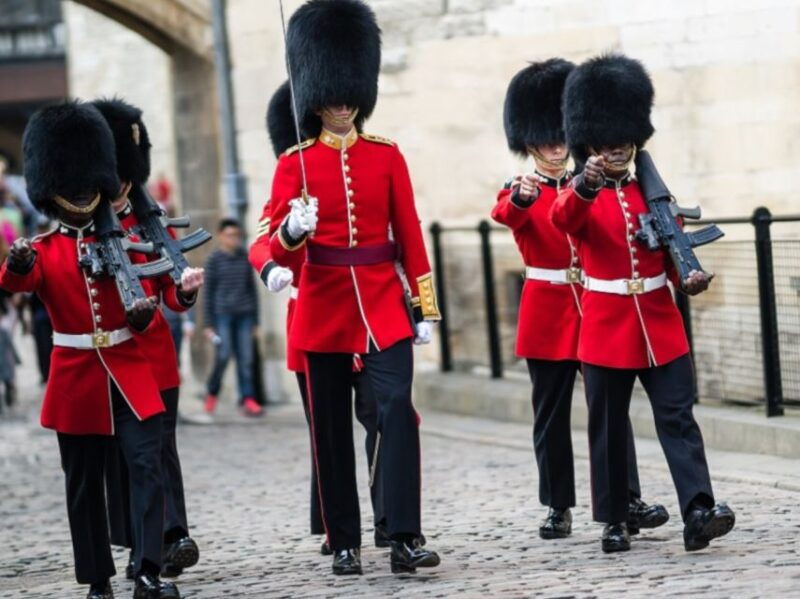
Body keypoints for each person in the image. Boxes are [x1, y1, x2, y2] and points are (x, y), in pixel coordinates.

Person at [264, 0, 440, 576]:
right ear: (315, 96)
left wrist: (425, 305)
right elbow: (271, 239)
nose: (341, 105)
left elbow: (409, 232)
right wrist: (293, 231)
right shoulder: (294, 163)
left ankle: (403, 534)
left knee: (395, 411)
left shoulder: (387, 156)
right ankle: (343, 539)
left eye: (349, 95)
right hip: (323, 306)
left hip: (384, 308)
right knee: (333, 432)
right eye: (332, 95)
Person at [0, 101, 200, 599]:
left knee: (146, 469)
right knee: (85, 487)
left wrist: (165, 303)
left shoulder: (128, 241)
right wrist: (20, 259)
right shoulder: (45, 248)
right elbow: (15, 282)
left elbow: (155, 298)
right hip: (77, 381)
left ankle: (150, 570)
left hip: (131, 373)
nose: (86, 192)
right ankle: (97, 580)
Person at [551, 53, 735, 553]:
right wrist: (585, 183)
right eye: (607, 143)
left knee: (679, 418)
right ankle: (614, 517)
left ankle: (698, 510)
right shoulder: (580, 193)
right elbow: (562, 220)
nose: (616, 150)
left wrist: (688, 276)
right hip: (607, 325)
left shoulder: (649, 194)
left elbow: (669, 247)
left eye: (624, 142)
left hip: (659, 322)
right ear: (589, 143)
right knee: (608, 428)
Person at [492, 58, 669, 541]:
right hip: (549, 310)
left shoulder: (587, 184)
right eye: (543, 141)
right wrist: (524, 198)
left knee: (609, 412)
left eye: (559, 137)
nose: (554, 148)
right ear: (528, 144)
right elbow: (506, 212)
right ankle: (557, 504)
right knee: (550, 416)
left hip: (597, 307)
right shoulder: (522, 187)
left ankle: (626, 497)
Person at [248, 80, 389, 554]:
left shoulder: (367, 159)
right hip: (314, 319)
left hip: (365, 317)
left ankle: (389, 515)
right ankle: (335, 527)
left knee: (382, 418)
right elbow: (262, 240)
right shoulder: (291, 173)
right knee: (325, 433)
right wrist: (273, 261)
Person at [92, 97, 203, 580]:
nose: (119, 186)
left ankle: (172, 533)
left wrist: (184, 293)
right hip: (114, 360)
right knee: (129, 457)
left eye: (124, 176)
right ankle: (148, 538)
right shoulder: (88, 231)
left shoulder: (149, 221)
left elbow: (170, 295)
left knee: (161, 449)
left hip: (156, 357)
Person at [203, 218, 261, 416]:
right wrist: (208, 324)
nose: (233, 239)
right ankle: (212, 392)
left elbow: (252, 290)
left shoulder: (245, 258)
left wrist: (256, 321)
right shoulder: (213, 260)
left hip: (244, 315)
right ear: (221, 236)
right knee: (223, 355)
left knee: (246, 359)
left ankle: (248, 398)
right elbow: (208, 293)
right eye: (229, 235)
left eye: (237, 235)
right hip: (222, 316)